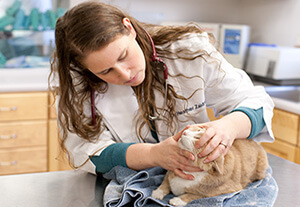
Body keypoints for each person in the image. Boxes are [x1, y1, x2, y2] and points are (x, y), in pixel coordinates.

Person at [49, 1, 274, 180]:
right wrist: (153, 155)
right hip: (130, 184)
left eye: (123, 56)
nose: (125, 75)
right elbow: (87, 152)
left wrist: (229, 127)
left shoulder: (187, 50)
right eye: (106, 71)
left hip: (195, 182)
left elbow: (256, 101)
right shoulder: (79, 84)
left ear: (129, 28)